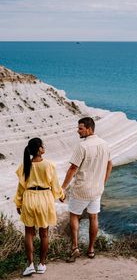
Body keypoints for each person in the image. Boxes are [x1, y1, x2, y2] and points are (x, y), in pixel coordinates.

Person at [61, 117, 112, 262]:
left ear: (89, 129)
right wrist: (103, 182)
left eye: (80, 128)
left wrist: (63, 187)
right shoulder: (105, 144)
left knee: (74, 215)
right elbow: (109, 165)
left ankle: (75, 247)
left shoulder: (82, 147)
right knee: (93, 217)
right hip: (97, 190)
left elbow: (72, 168)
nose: (78, 131)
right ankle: (91, 250)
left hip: (82, 189)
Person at [14, 137, 64, 276]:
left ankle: (30, 265)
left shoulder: (24, 165)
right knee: (44, 234)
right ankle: (41, 264)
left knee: (29, 234)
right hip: (44, 199)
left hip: (29, 198)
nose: (44, 148)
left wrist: (18, 203)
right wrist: (61, 196)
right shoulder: (49, 165)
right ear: (39, 149)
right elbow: (55, 185)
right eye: (43, 146)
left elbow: (21, 187)